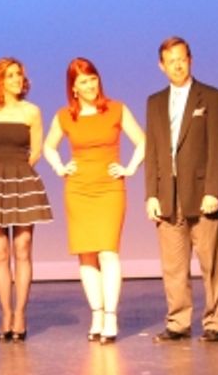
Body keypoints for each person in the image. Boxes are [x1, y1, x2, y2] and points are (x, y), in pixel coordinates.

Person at [43, 58, 145, 343]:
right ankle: (97, 314)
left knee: (108, 251)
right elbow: (49, 147)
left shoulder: (116, 109)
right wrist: (60, 167)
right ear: (73, 88)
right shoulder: (65, 116)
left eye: (93, 79)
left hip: (109, 188)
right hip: (78, 189)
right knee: (86, 254)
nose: (90, 85)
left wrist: (129, 168)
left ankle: (111, 316)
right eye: (83, 82)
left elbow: (143, 141)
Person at [144, 37, 218, 343]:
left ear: (190, 60)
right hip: (168, 196)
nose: (177, 65)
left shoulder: (211, 97)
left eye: (182, 59)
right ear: (161, 65)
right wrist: (151, 194)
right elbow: (153, 150)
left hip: (202, 195)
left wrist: (214, 190)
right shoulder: (154, 102)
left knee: (211, 263)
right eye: (171, 61)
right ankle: (178, 322)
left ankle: (215, 322)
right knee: (173, 267)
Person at [0, 58, 53, 341]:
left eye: (19, 74)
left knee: (23, 247)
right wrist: (1, 172)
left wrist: (17, 170)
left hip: (22, 178)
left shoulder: (32, 111)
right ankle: (5, 312)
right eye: (10, 75)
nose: (17, 79)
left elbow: (36, 150)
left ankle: (20, 314)